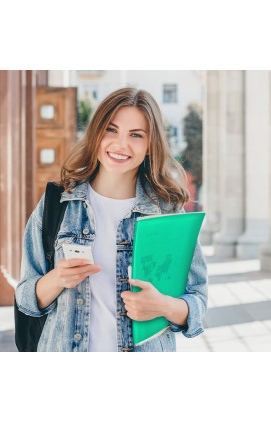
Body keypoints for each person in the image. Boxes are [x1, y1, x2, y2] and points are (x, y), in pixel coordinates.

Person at [16, 87, 208, 352]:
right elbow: (25, 297)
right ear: (96, 133)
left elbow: (197, 300)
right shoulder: (57, 203)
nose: (121, 144)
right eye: (111, 129)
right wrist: (57, 278)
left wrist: (164, 306)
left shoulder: (167, 211)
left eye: (136, 135)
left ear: (150, 145)